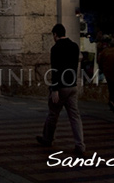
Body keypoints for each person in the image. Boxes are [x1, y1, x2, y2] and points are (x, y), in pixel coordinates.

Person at [36, 23, 86, 156]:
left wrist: (55, 89)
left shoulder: (56, 48)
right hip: (72, 85)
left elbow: (55, 69)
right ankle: (80, 144)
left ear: (55, 35)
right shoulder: (75, 46)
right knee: (75, 116)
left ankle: (48, 138)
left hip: (61, 86)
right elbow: (74, 65)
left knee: (53, 114)